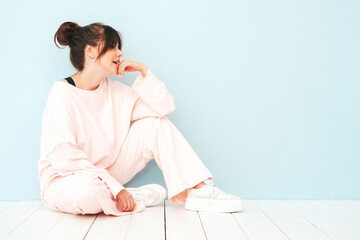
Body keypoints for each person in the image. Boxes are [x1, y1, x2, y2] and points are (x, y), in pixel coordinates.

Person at [38, 21, 243, 217]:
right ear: (90, 52)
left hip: (107, 175)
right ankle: (125, 197)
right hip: (66, 179)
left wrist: (143, 71)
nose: (120, 53)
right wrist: (115, 187)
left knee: (155, 124)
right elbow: (64, 157)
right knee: (87, 192)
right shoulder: (62, 94)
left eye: (119, 47)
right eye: (112, 47)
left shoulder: (116, 92)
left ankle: (200, 189)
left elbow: (163, 109)